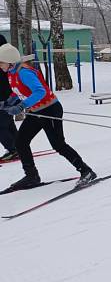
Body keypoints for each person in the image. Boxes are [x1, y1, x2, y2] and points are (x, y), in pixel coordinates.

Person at [0, 44, 96, 190]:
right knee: (20, 142)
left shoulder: (24, 72)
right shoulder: (11, 73)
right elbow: (18, 91)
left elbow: (40, 92)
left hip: (49, 110)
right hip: (36, 111)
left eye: (1, 63)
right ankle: (32, 176)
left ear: (10, 61)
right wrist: (9, 102)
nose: (0, 66)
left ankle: (86, 171)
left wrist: (21, 106)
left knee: (58, 144)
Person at [0, 33, 18, 161]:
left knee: (2, 125)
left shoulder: (4, 62)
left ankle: (13, 149)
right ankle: (19, 147)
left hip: (5, 95)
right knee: (8, 124)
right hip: (6, 94)